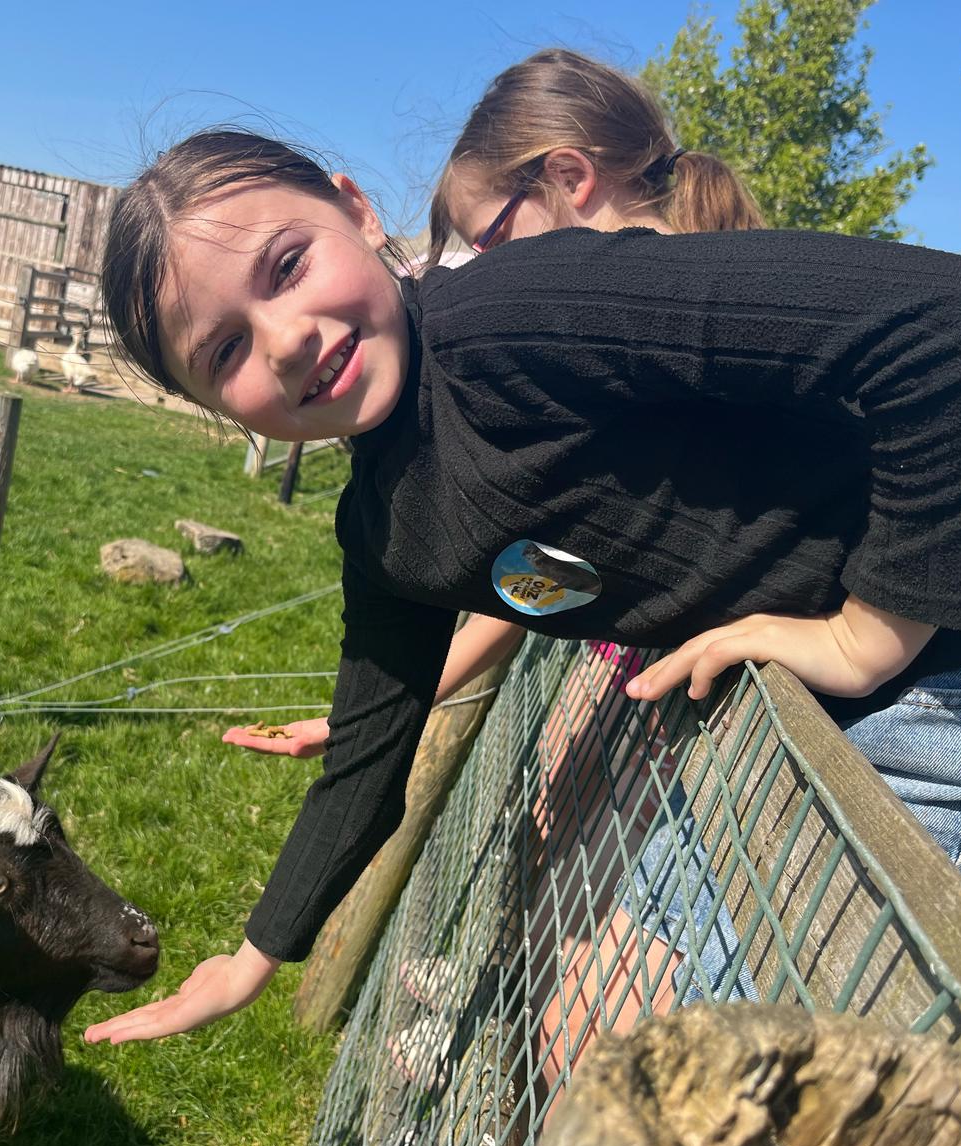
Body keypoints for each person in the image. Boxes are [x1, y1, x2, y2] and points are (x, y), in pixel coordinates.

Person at [81, 118, 961, 1049]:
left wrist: (864, 636)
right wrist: (252, 957)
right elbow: (369, 749)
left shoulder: (523, 311)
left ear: (357, 213)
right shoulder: (384, 527)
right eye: (225, 352)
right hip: (805, 721)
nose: (283, 340)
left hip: (947, 683)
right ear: (208, 404)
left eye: (287, 266)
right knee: (607, 1044)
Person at [215, 48, 774, 1081]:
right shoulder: (581, 360)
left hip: (754, 709)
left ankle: (527, 1052)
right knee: (555, 850)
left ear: (569, 178)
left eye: (493, 239)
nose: (485, 268)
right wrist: (380, 712)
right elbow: (536, 574)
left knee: (625, 981)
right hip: (641, 668)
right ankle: (506, 1018)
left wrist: (860, 634)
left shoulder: (671, 326)